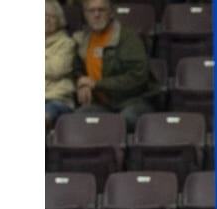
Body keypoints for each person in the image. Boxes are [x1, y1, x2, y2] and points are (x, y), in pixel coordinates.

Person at [72, 0, 161, 131]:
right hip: (102, 104)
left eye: (101, 10)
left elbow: (138, 77)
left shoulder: (128, 38)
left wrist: (97, 84)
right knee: (77, 120)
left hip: (133, 101)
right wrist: (82, 84)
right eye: (91, 11)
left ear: (111, 13)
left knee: (124, 120)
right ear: (85, 15)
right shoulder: (82, 39)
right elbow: (77, 70)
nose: (96, 14)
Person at [46, 2, 79, 126]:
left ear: (59, 20)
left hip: (56, 99)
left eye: (52, 17)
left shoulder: (66, 43)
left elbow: (57, 69)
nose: (47, 20)